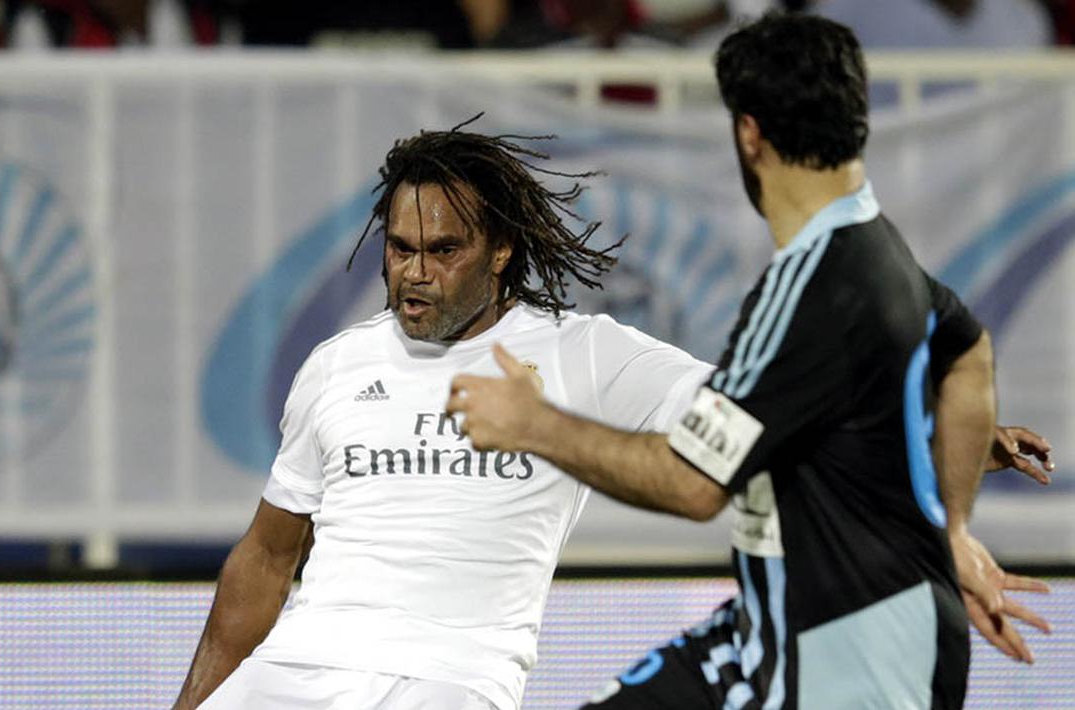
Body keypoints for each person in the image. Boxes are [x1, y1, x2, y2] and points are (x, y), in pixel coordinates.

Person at [447, 13, 1054, 709]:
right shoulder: (873, 246)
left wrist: (534, 424)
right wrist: (947, 533)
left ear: (748, 134)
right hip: (782, 629)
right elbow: (967, 355)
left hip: (849, 658)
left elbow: (692, 484)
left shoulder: (807, 291)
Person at [172, 122, 719, 709]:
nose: (415, 272)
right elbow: (267, 556)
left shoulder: (579, 353)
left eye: (444, 251)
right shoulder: (336, 365)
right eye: (401, 248)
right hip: (299, 667)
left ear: (501, 249)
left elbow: (738, 402)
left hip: (452, 682)